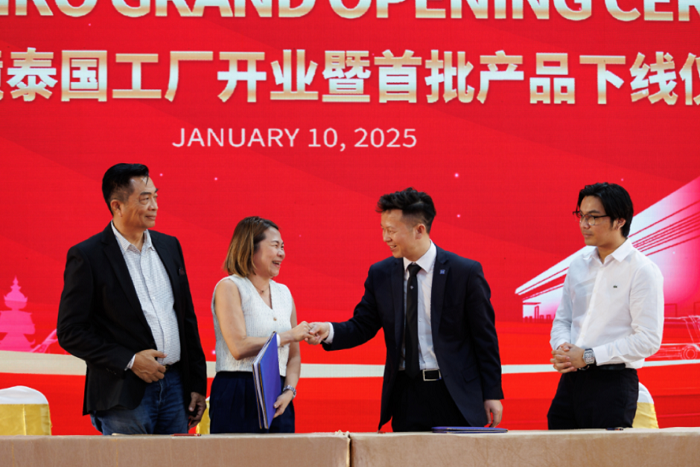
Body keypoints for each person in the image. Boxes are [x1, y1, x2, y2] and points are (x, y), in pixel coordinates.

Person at [307, 188, 504, 432]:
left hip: (455, 393)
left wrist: (492, 393)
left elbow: (485, 338)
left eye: (391, 231)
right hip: (405, 394)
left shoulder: (464, 272)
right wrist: (328, 331)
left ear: (419, 230)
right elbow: (362, 325)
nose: (385, 238)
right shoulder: (381, 273)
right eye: (382, 229)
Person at [57, 163, 208, 435]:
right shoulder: (88, 256)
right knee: (129, 458)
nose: (154, 206)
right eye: (144, 199)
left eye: (155, 197)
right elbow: (71, 331)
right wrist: (130, 360)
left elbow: (186, 318)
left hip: (175, 388)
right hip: (123, 394)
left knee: (176, 458)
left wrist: (197, 384)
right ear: (117, 206)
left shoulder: (169, 246)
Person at [548, 182, 664, 429]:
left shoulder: (642, 270)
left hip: (613, 384)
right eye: (581, 215)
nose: (584, 224)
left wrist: (588, 356)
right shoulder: (578, 264)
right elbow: (564, 319)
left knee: (605, 452)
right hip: (570, 382)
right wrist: (562, 348)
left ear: (620, 221)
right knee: (557, 448)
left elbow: (648, 340)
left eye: (593, 217)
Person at [209, 217, 311, 433]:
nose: (282, 253)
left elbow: (294, 357)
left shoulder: (285, 293)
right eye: (275, 246)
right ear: (250, 247)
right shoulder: (230, 287)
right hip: (237, 390)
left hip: (278, 395)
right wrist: (287, 336)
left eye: (283, 247)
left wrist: (289, 391)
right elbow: (238, 347)